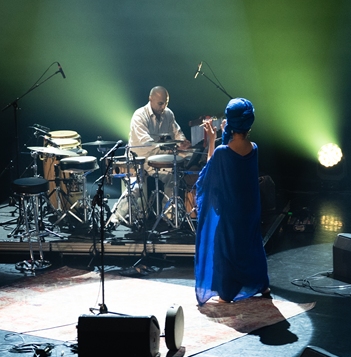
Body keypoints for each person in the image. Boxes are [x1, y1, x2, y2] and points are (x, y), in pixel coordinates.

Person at [194, 98, 270, 304]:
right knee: (251, 245)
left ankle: (227, 292)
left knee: (225, 248)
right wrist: (226, 133)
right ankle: (261, 284)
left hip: (231, 212)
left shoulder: (222, 152)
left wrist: (212, 140)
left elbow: (210, 173)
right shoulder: (254, 148)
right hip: (250, 210)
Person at [112, 86, 190, 227]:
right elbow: (147, 143)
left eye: (166, 103)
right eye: (160, 103)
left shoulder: (168, 114)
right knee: (135, 187)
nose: (163, 107)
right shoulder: (139, 115)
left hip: (158, 159)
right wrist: (170, 148)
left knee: (173, 176)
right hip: (138, 159)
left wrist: (182, 142)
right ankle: (115, 218)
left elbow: (177, 133)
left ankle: (168, 215)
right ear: (150, 99)